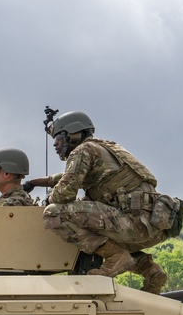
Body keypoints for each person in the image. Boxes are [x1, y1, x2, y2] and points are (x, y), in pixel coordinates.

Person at [24, 111, 168, 294]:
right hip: (151, 225)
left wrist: (48, 199)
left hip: (132, 223)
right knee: (101, 229)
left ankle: (116, 257)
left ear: (73, 134)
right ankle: (150, 270)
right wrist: (36, 182)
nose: (55, 144)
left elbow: (64, 192)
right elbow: (69, 176)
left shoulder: (82, 151)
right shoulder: (104, 148)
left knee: (55, 213)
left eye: (58, 138)